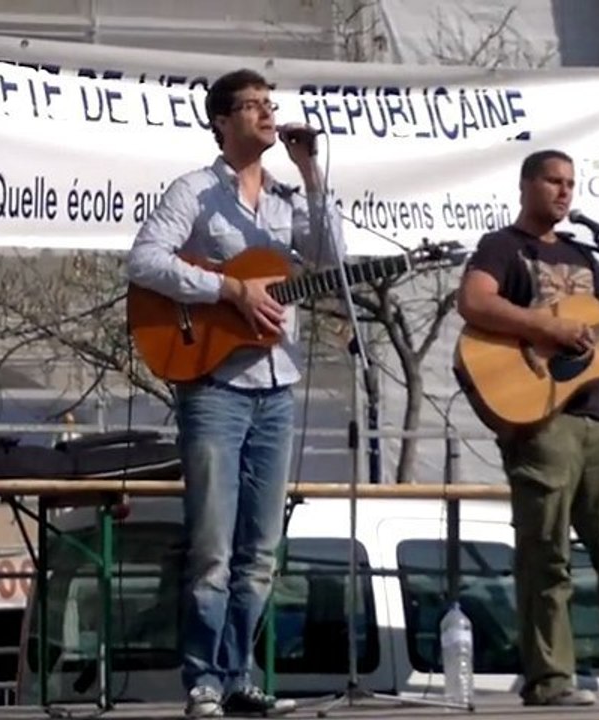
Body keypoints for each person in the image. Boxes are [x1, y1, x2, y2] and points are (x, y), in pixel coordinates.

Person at [128, 68, 345, 717]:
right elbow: (144, 260)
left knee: (261, 551)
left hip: (277, 386)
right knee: (213, 548)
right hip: (215, 385)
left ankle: (237, 674)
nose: (267, 114)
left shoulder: (288, 197)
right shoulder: (194, 192)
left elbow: (331, 261)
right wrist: (229, 290)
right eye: (252, 105)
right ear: (222, 121)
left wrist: (311, 174)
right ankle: (202, 680)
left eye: (270, 104)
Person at [456, 149, 599, 707]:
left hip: (593, 416)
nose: (564, 191)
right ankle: (550, 680)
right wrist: (546, 326)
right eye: (553, 181)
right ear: (526, 185)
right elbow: (474, 301)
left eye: (570, 183)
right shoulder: (502, 246)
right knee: (547, 553)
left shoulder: (586, 253)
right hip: (539, 416)